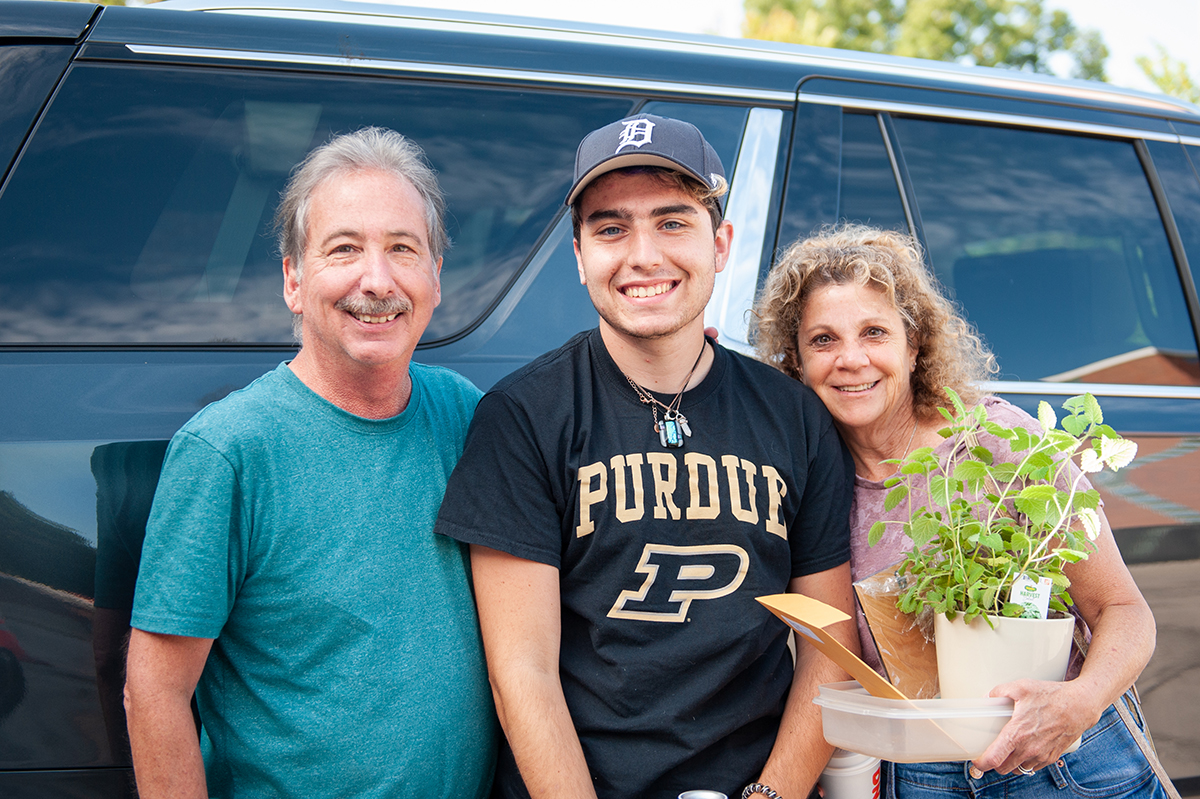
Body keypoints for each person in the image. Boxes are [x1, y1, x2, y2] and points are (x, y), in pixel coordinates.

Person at [434, 113, 858, 799]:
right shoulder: (524, 416)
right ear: (578, 255)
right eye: (610, 229)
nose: (643, 255)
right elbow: (523, 675)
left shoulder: (795, 416)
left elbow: (829, 652)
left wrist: (769, 797)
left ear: (720, 243)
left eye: (672, 222)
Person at [124, 127, 496, 799]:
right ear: (294, 280)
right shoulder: (228, 451)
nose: (376, 280)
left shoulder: (465, 416)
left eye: (403, 249)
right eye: (344, 248)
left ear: (435, 277)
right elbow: (154, 692)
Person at [752, 223, 1168, 798]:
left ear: (913, 343)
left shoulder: (995, 444)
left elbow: (1123, 608)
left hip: (1063, 761)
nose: (851, 359)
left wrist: (1078, 702)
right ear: (794, 360)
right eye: (823, 340)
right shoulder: (806, 482)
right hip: (920, 774)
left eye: (874, 332)